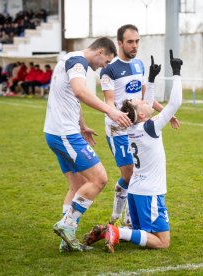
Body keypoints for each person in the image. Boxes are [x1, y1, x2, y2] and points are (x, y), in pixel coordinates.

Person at [83, 50, 183, 253]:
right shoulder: (151, 126)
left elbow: (144, 106)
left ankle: (112, 231)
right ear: (144, 113)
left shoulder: (132, 126)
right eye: (142, 102)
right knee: (162, 242)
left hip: (135, 191)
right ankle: (115, 231)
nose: (145, 100)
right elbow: (175, 103)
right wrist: (177, 72)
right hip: (150, 193)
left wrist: (151, 80)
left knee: (142, 233)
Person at [44, 37, 131, 252]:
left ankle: (66, 242)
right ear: (100, 51)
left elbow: (71, 98)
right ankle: (67, 225)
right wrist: (111, 110)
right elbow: (80, 92)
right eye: (106, 60)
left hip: (57, 132)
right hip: (64, 134)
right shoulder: (78, 63)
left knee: (76, 187)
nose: (105, 65)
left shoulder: (69, 58)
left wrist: (82, 125)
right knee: (100, 179)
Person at [99, 24, 180, 227]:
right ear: (119, 43)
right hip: (118, 128)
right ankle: (117, 216)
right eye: (130, 42)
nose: (135, 45)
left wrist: (165, 113)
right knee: (129, 175)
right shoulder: (109, 69)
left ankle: (128, 221)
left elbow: (146, 98)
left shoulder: (139, 65)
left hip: (138, 125)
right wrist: (117, 115)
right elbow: (108, 101)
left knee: (138, 173)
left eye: (137, 41)